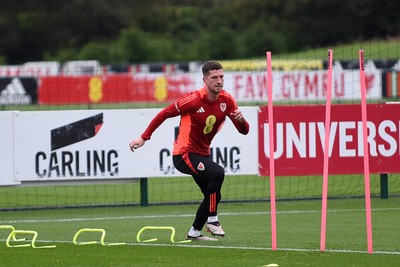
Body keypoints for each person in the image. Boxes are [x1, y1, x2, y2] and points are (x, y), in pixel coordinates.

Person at [129, 60, 249, 241]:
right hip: (183, 154)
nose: (219, 81)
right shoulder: (192, 100)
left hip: (202, 154)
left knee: (213, 196)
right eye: (214, 77)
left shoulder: (227, 100)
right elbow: (164, 114)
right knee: (217, 173)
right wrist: (144, 137)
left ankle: (194, 232)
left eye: (221, 77)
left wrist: (241, 121)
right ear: (205, 80)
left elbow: (244, 131)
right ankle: (212, 220)